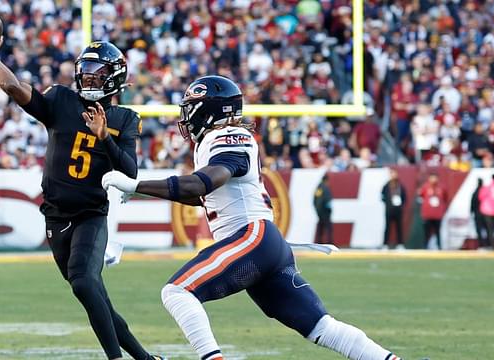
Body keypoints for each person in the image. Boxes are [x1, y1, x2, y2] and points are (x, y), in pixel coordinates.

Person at [103, 76, 402, 360]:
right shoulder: (218, 139)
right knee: (320, 327)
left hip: (252, 238)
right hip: (262, 244)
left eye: (191, 110)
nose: (186, 118)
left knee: (177, 292)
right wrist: (145, 190)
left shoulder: (227, 136)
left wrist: (136, 184)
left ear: (208, 111)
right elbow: (203, 194)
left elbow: (201, 184)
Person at [0, 36, 164, 360]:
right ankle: (146, 359)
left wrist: (104, 138)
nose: (89, 77)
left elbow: (130, 174)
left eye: (97, 72)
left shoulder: (124, 119)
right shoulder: (61, 99)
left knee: (84, 283)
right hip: (56, 216)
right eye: (85, 70)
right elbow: (14, 88)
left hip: (91, 214)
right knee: (94, 295)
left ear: (113, 78)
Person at [418, 174, 448, 249]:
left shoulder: (441, 187)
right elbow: (420, 196)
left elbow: (445, 198)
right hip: (427, 214)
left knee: (438, 232)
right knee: (426, 232)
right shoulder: (425, 187)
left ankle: (439, 246)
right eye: (432, 178)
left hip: (437, 214)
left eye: (435, 178)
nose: (433, 179)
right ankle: (425, 246)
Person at [381, 169, 407, 249]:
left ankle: (400, 244)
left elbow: (404, 197)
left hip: (398, 210)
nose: (393, 175)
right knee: (387, 227)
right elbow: (382, 197)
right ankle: (385, 244)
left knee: (399, 227)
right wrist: (389, 203)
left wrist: (401, 205)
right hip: (389, 210)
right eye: (392, 174)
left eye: (395, 174)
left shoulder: (400, 186)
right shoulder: (386, 186)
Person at [479, 174, 494, 251]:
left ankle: (493, 246)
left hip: (489, 212)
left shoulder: (488, 187)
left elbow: (481, 197)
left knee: (490, 230)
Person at [313, 175, 333, 244]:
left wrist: (317, 210)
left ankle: (319, 242)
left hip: (319, 212)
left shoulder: (318, 188)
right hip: (325, 212)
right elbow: (327, 200)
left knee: (320, 228)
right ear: (326, 180)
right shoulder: (325, 188)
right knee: (328, 228)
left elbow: (315, 200)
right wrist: (329, 210)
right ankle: (329, 242)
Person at [470, 179, 487, 249]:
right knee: (487, 230)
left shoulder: (476, 192)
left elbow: (472, 203)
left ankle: (481, 244)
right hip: (485, 214)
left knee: (479, 230)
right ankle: (487, 244)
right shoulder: (485, 192)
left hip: (478, 214)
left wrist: (471, 211)